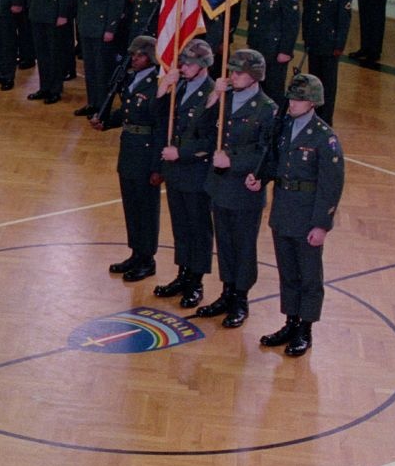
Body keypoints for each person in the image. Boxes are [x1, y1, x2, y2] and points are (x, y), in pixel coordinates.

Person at [259, 73, 345, 357]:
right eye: (291, 97)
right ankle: (290, 321)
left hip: (307, 215)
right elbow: (276, 162)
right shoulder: (284, 128)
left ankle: (305, 329)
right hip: (283, 208)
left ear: (312, 103)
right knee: (288, 272)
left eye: (298, 99)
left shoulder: (324, 138)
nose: (292, 103)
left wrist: (322, 224)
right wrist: (261, 178)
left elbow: (331, 186)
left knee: (308, 275)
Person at [196, 49, 279, 329]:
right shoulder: (225, 99)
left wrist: (233, 160)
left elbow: (266, 152)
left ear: (254, 75)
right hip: (220, 186)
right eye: (231, 71)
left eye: (239, 72)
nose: (233, 76)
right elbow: (201, 128)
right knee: (225, 244)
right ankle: (226, 291)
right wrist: (214, 97)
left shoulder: (267, 109)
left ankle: (240, 299)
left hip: (244, 190)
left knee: (243, 247)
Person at [96, 35, 165, 281]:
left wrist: (159, 167)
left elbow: (160, 127)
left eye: (140, 55)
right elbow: (128, 112)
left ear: (152, 58)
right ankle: (136, 252)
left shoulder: (159, 84)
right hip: (129, 149)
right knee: (132, 206)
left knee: (146, 208)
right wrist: (106, 122)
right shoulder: (133, 79)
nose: (135, 59)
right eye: (134, 55)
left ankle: (148, 258)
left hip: (147, 153)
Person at [154, 38, 217, 308]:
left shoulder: (213, 94)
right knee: (181, 226)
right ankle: (182, 274)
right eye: (183, 62)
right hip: (176, 171)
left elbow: (211, 141)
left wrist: (182, 153)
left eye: (190, 63)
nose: (184, 66)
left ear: (203, 65)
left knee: (198, 228)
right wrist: (164, 87)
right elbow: (158, 117)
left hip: (196, 171)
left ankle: (196, 281)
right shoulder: (179, 85)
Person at [73, 0, 127, 119]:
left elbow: (116, 3)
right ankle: (92, 102)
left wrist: (110, 28)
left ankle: (103, 107)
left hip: (102, 28)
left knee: (102, 69)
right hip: (87, 26)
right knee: (90, 68)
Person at [300, 0, 353, 124]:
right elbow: (307, 13)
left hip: (330, 45)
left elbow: (343, 20)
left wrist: (339, 45)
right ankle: (312, 115)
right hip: (314, 42)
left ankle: (325, 119)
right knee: (313, 81)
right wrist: (306, 36)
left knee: (328, 85)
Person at [246, 0, 299, 105]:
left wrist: (285, 51)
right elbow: (254, 20)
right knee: (256, 86)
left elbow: (292, 24)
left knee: (273, 89)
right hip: (258, 47)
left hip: (275, 51)